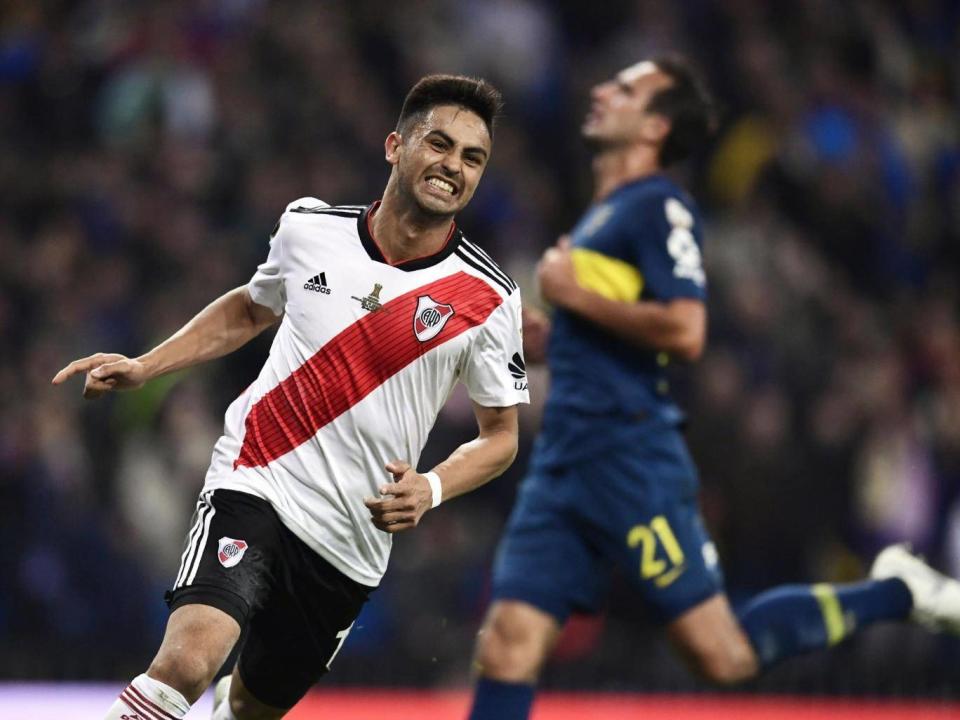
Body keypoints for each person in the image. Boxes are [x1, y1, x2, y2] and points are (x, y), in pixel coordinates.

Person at [467, 56, 960, 720]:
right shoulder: (599, 218)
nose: (605, 89)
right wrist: (527, 340)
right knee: (508, 644)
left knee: (721, 654)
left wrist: (571, 295)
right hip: (567, 460)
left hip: (628, 461)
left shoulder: (657, 209)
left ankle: (897, 593)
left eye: (628, 88)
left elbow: (684, 328)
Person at [53, 74, 529, 720]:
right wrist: (146, 366)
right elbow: (251, 309)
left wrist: (433, 488)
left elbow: (501, 436)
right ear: (395, 145)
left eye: (473, 158)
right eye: (439, 144)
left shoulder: (488, 297)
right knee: (189, 660)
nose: (453, 166)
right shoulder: (309, 230)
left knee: (249, 709)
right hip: (259, 482)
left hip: (351, 539)